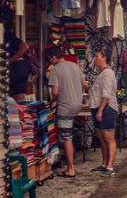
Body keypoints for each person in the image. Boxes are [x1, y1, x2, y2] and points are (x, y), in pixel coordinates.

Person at [46, 45, 86, 177]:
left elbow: (55, 92)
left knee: (66, 138)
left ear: (53, 57)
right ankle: (64, 155)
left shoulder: (55, 70)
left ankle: (70, 169)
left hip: (65, 106)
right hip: (77, 105)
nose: (50, 62)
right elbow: (84, 84)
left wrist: (52, 101)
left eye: (49, 59)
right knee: (67, 132)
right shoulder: (74, 65)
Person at [89, 48, 119, 177]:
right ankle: (105, 164)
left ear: (104, 58)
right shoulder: (101, 73)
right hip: (98, 108)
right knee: (102, 138)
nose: (95, 59)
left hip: (106, 108)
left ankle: (110, 167)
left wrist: (100, 110)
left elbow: (106, 94)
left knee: (108, 138)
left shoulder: (107, 73)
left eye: (97, 56)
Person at [4, 26, 29, 101]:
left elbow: (25, 46)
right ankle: (19, 112)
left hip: (17, 66)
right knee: (20, 101)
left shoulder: (6, 35)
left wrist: (11, 60)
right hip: (23, 68)